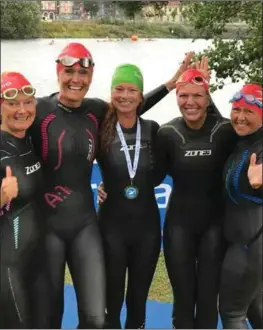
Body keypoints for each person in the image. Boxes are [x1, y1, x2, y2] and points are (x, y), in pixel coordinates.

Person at [29, 42, 191, 329]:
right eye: (69, 71)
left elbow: (133, 107)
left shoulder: (101, 113)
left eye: (83, 72)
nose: (75, 79)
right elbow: (11, 128)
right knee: (52, 314)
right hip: (53, 225)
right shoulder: (42, 109)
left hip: (91, 226)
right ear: (58, 72)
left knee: (96, 317)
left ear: (91, 77)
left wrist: (170, 84)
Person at [156, 67, 238, 329]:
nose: (190, 103)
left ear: (207, 97)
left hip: (215, 226)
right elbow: (151, 177)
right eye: (183, 96)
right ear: (177, 97)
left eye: (197, 96)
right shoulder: (167, 134)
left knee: (207, 298)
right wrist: (112, 186)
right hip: (178, 225)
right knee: (183, 298)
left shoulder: (226, 130)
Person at [96, 64, 168, 329]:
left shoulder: (153, 128)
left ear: (141, 97)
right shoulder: (101, 128)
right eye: (119, 89)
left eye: (132, 90)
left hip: (146, 230)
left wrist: (171, 84)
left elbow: (159, 174)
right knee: (111, 301)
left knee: (138, 301)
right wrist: (106, 184)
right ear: (111, 92)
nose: (125, 95)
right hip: (110, 229)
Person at [0, 72, 49, 329]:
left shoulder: (30, 137)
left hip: (38, 262)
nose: (21, 110)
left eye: (27, 102)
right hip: (8, 266)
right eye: (12, 103)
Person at [219, 84, 263, 329]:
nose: (240, 117)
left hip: (250, 242)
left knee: (232, 312)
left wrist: (259, 184)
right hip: (245, 242)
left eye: (249, 111)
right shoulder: (242, 141)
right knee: (255, 308)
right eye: (236, 110)